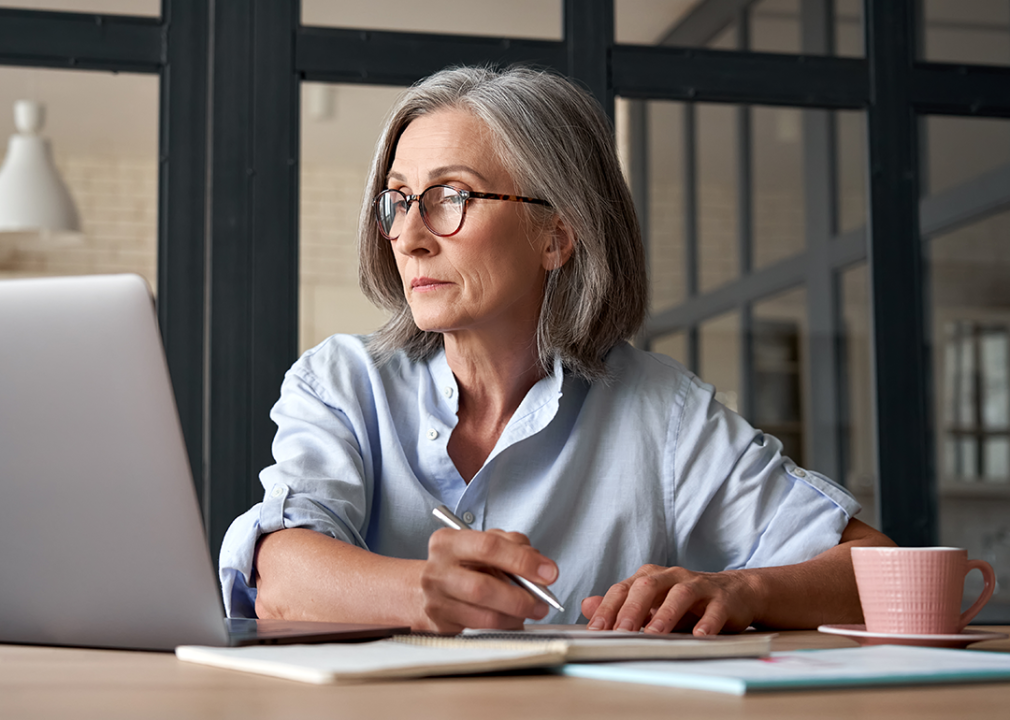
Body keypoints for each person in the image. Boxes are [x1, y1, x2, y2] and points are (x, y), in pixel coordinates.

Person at [219, 65, 893, 636]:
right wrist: (423, 592)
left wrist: (743, 592)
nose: (411, 236)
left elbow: (883, 573)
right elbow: (277, 574)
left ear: (557, 236)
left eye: (450, 197)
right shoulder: (341, 381)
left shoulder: (665, 413)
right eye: (398, 200)